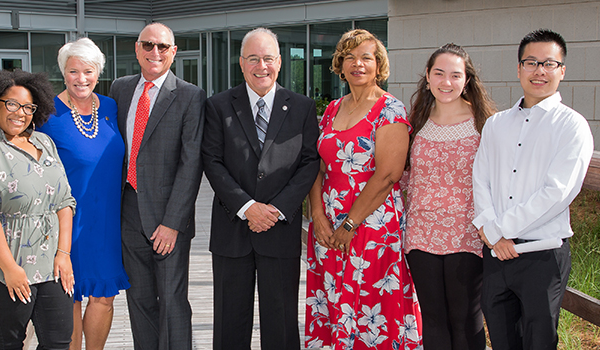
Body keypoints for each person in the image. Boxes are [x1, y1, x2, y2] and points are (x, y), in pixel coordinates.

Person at [473, 29, 593, 349]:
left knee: (539, 340)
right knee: (501, 337)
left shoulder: (572, 126)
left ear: (561, 71)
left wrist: (499, 230)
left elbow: (558, 192)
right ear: (519, 68)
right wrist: (493, 234)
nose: (540, 70)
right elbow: (480, 178)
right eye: (531, 62)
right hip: (496, 254)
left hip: (542, 254)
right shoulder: (496, 124)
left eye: (549, 63)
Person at [304, 29, 423, 350]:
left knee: (370, 306)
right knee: (335, 302)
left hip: (371, 225)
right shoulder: (331, 110)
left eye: (366, 58)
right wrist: (317, 214)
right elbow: (316, 164)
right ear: (340, 65)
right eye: (350, 57)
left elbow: (387, 175)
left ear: (379, 65)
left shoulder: (390, 110)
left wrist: (350, 223)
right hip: (328, 226)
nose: (358, 64)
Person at [202, 27, 320, 350]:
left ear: (280, 62)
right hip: (232, 231)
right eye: (253, 59)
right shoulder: (218, 106)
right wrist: (246, 207)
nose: (261, 66)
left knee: (281, 324)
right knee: (229, 324)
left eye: (268, 58)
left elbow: (310, 163)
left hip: (280, 231)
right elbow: (211, 162)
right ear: (241, 64)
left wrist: (278, 209)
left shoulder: (302, 107)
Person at [0, 69, 76, 349]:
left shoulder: (43, 143)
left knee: (59, 341)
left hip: (51, 263)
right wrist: (10, 268)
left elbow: (64, 201)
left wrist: (64, 254)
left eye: (28, 107)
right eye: (11, 104)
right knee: (9, 342)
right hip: (3, 263)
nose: (20, 113)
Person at [110, 22, 205, 350]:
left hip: (168, 221)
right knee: (139, 301)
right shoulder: (119, 89)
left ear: (173, 52)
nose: (155, 52)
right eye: (148, 45)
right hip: (128, 213)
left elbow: (191, 164)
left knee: (173, 304)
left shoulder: (191, 96)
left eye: (163, 47)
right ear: (137, 49)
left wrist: (172, 223)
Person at [38, 37, 130, 350]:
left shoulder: (110, 107)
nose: (81, 79)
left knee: (103, 297)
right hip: (66, 223)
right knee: (71, 297)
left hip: (105, 220)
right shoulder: (47, 114)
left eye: (88, 71)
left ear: (98, 73)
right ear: (63, 73)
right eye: (74, 71)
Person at [402, 43, 496, 350]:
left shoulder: (485, 124)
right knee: (432, 319)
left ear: (466, 80)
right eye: (439, 73)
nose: (446, 82)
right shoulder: (414, 121)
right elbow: (403, 176)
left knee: (466, 319)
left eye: (455, 75)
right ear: (427, 77)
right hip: (420, 234)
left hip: (467, 234)